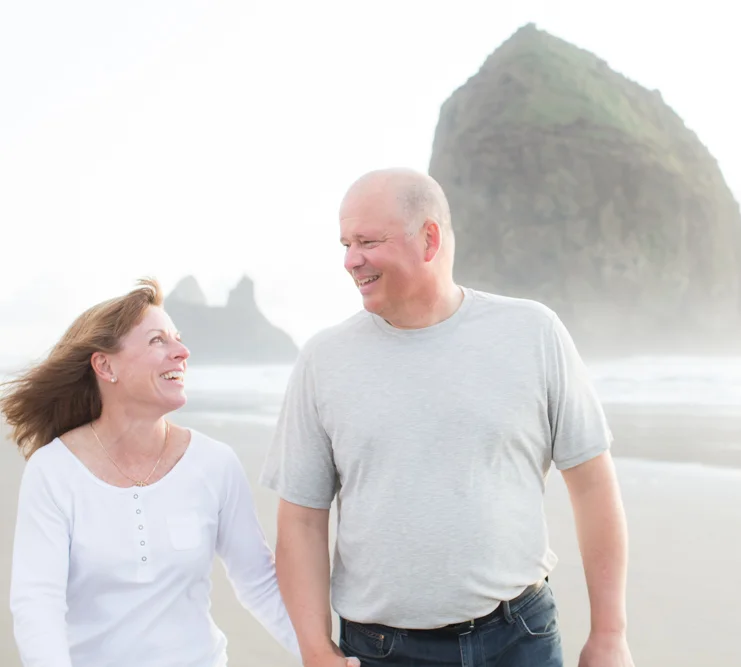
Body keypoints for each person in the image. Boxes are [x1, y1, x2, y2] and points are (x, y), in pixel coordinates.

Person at [260, 168, 635, 666]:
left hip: (519, 638)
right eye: (346, 243)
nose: (351, 260)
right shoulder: (323, 360)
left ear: (429, 239)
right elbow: (303, 520)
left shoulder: (533, 332)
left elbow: (591, 484)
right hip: (379, 652)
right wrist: (314, 649)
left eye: (367, 241)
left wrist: (609, 634)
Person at [1, 278, 323, 667]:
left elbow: (258, 583)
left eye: (178, 339)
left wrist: (322, 655)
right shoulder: (53, 471)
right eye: (158, 341)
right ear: (105, 366)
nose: (182, 352)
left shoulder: (214, 463)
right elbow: (38, 604)